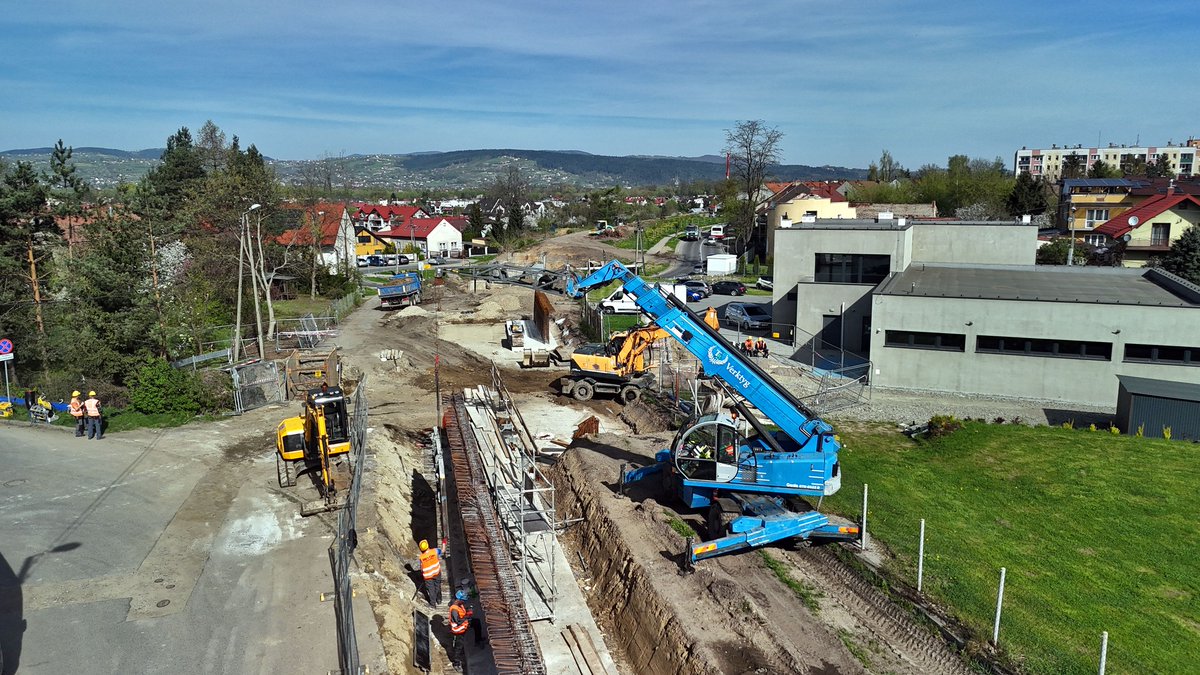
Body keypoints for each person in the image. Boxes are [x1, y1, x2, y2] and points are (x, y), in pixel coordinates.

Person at [418, 539, 443, 607]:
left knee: (431, 590)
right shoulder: (435, 551)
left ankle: (433, 604)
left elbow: (422, 568)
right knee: (437, 586)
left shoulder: (421, 557)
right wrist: (444, 543)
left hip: (428, 576)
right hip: (437, 572)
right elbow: (442, 551)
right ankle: (439, 599)